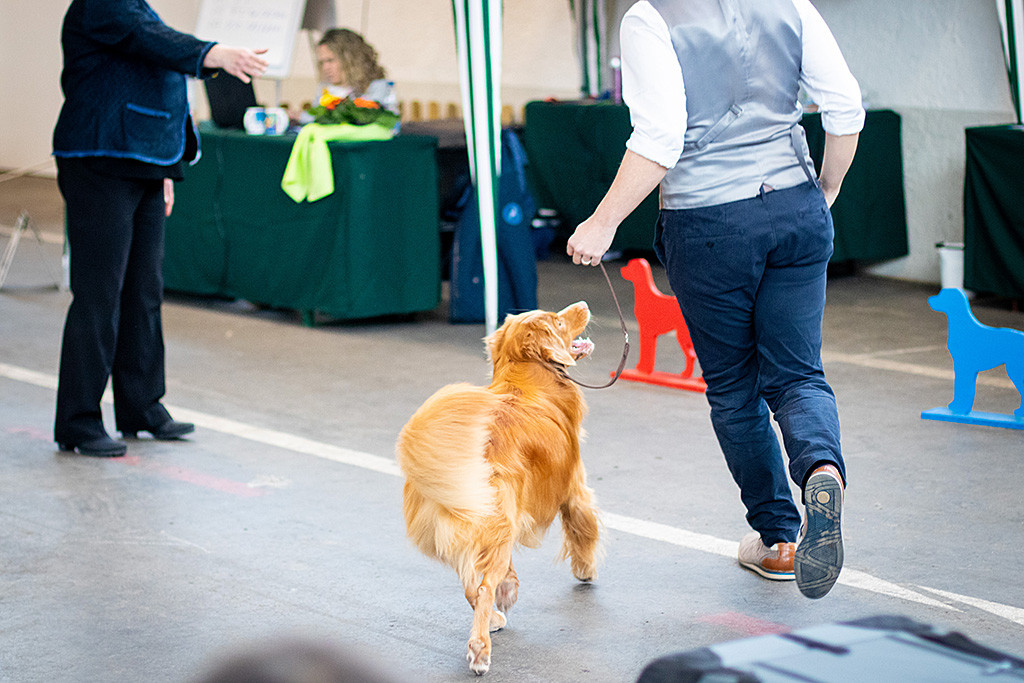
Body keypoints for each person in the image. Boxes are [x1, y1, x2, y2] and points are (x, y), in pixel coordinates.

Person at [567, 0, 863, 599]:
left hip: (710, 222)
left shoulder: (650, 18)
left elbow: (659, 136)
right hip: (796, 204)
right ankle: (821, 471)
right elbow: (845, 105)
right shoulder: (791, 5)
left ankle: (779, 538)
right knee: (799, 374)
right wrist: (824, 187)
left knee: (734, 388)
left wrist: (602, 222)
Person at [51, 0, 269, 457]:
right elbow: (156, 45)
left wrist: (166, 169)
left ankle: (142, 407)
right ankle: (78, 420)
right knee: (99, 296)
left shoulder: (137, 6)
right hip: (101, 159)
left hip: (144, 163)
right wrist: (216, 53)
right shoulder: (103, 5)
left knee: (144, 291)